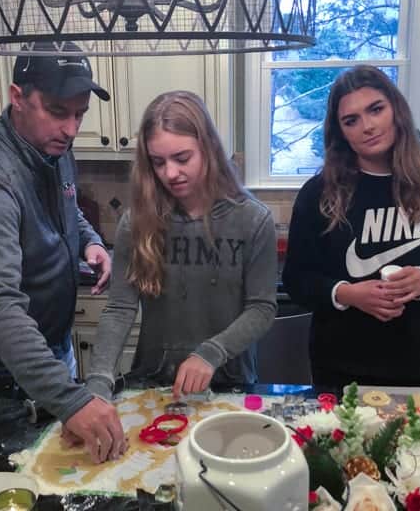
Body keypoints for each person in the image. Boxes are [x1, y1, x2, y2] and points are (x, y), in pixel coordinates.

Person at [0, 42, 126, 463]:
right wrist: (72, 400)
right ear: (17, 97)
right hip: (0, 381)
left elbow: (68, 205)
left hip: (50, 356)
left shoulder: (54, 149)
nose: (71, 128)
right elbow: (0, 305)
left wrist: (90, 240)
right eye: (59, 111)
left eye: (80, 114)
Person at [282, 65, 420, 391]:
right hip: (337, 365)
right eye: (351, 120)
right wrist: (346, 293)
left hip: (416, 361)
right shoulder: (318, 193)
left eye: (376, 109)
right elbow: (296, 279)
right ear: (340, 133)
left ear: (396, 110)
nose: (368, 126)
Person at [84, 90, 278, 406]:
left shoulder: (252, 220)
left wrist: (211, 352)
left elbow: (262, 308)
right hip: (153, 382)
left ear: (210, 149)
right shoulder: (137, 223)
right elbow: (120, 309)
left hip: (230, 384)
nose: (170, 174)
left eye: (182, 158)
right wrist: (98, 380)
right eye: (158, 162)